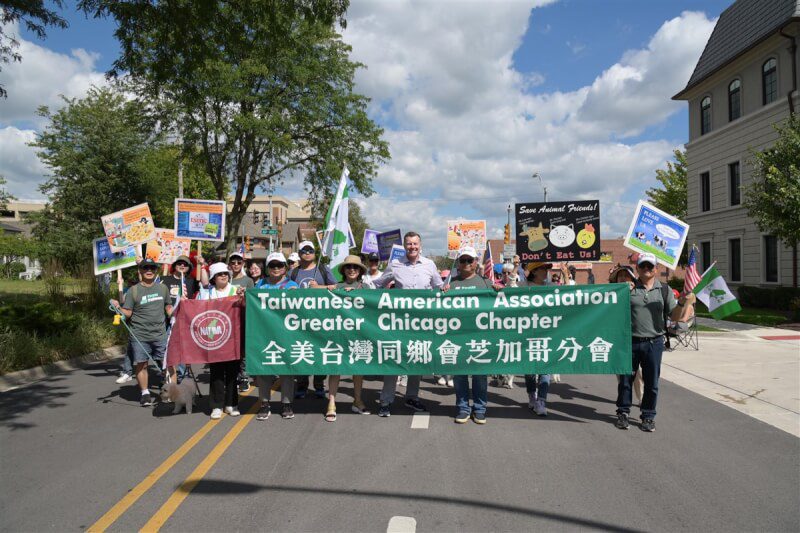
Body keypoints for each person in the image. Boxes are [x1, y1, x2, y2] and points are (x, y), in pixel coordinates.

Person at [615, 253, 695, 432]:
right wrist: (622, 292)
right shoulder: (629, 289)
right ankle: (623, 412)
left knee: (652, 382)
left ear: (656, 269)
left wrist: (682, 303)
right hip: (631, 342)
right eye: (642, 266)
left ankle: (648, 416)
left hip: (654, 342)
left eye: (650, 266)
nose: (646, 269)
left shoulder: (664, 289)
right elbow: (614, 312)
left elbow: (673, 316)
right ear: (637, 269)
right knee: (626, 380)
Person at [373, 231, 446, 417]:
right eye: (409, 244)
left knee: (417, 360)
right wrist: (357, 289)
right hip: (399, 323)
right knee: (394, 360)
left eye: (415, 244)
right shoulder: (395, 265)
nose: (412, 247)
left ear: (420, 245)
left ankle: (412, 397)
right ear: (404, 246)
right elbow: (378, 284)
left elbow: (439, 287)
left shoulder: (430, 265)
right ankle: (386, 400)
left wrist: (446, 288)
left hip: (422, 324)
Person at [110, 258, 173, 407]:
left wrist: (175, 311)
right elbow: (128, 313)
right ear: (141, 271)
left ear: (156, 270)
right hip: (140, 335)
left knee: (169, 365)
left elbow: (168, 306)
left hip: (160, 334)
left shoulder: (163, 289)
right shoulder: (134, 290)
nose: (149, 270)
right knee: (141, 365)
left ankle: (171, 392)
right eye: (145, 268)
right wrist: (118, 306)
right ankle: (145, 393)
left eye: (152, 267)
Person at [448, 247, 500, 424]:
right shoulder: (451, 284)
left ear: (476, 262)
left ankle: (479, 409)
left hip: (480, 337)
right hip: (458, 337)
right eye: (463, 260)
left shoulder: (486, 283)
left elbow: (503, 304)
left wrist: (500, 290)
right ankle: (463, 408)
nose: (467, 264)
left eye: (470, 260)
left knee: (480, 375)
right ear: (459, 263)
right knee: (460, 375)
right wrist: (442, 292)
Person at [324, 255, 372, 421]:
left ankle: (357, 400)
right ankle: (331, 402)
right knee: (335, 368)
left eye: (355, 267)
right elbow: (315, 290)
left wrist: (357, 294)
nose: (352, 269)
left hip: (359, 334)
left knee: (358, 370)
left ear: (360, 271)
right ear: (344, 270)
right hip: (338, 333)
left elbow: (377, 304)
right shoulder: (336, 286)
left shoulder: (366, 287)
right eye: (349, 267)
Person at [288, 240, 336, 398]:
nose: (307, 253)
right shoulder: (294, 272)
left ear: (315, 253)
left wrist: (319, 288)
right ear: (299, 253)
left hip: (321, 320)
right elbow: (283, 288)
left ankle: (319, 384)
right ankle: (301, 385)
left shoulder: (323, 269)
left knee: (320, 353)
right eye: (304, 251)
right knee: (302, 353)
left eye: (310, 250)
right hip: (300, 321)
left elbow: (336, 287)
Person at [254, 252, 299, 420]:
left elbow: (300, 309)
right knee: (263, 368)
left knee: (286, 369)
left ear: (285, 268)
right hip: (264, 332)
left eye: (279, 265)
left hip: (285, 333)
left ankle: (287, 403)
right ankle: (264, 403)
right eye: (272, 266)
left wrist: (298, 295)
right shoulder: (260, 284)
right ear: (267, 268)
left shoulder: (292, 285)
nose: (276, 268)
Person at [198, 262, 244, 419]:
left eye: (225, 273)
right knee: (216, 372)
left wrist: (243, 297)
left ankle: (232, 404)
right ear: (213, 278)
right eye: (219, 274)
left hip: (233, 337)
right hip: (214, 337)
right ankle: (216, 405)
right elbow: (198, 308)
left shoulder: (236, 290)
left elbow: (245, 308)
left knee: (232, 373)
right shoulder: (207, 293)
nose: (223, 276)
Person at [161, 255, 200, 381]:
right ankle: (168, 374)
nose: (182, 265)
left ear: (189, 268)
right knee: (165, 348)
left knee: (182, 349)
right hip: (166, 320)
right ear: (174, 265)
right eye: (179, 263)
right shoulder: (164, 279)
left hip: (183, 320)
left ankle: (183, 376)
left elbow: (205, 286)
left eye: (185, 264)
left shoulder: (191, 281)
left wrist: (201, 264)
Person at [523, 261, 553, 416]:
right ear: (534, 272)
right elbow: (510, 288)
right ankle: (531, 395)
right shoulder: (525, 286)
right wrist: (515, 268)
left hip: (547, 333)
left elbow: (570, 294)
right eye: (542, 268)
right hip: (529, 334)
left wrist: (566, 274)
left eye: (547, 268)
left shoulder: (550, 287)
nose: (545, 271)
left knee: (545, 369)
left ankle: (541, 400)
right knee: (529, 371)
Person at [226, 252, 254, 392]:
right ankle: (233, 375)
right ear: (229, 264)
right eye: (233, 262)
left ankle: (244, 377)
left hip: (243, 316)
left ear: (243, 264)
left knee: (243, 348)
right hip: (228, 318)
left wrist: (245, 294)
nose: (236, 264)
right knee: (231, 348)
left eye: (239, 262)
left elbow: (254, 300)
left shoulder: (248, 280)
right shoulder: (226, 279)